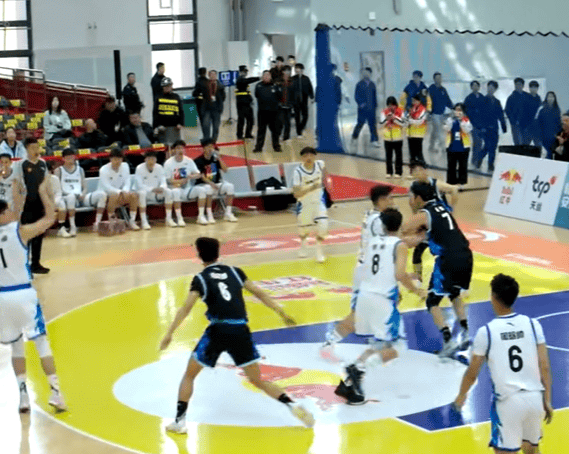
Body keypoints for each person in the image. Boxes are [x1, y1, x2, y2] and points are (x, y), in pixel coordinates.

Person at [158, 237, 313, 434]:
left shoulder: (201, 279)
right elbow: (259, 293)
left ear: (198, 255)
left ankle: (180, 422)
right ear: (218, 253)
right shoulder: (235, 272)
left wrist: (169, 333)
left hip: (218, 331)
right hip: (240, 330)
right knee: (257, 379)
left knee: (189, 375)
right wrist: (281, 312)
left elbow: (185, 308)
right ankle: (292, 405)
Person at [453, 273, 554, 454]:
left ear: (493, 297)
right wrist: (548, 399)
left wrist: (461, 395)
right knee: (534, 451)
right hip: (534, 397)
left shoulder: (487, 332)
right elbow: (545, 366)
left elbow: (473, 371)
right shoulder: (533, 325)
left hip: (508, 402)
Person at [0, 181, 67, 413]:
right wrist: (42, 192)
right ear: (0, 215)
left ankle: (23, 397)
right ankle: (56, 393)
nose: (11, 212)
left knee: (16, 349)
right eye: (6, 210)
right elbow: (50, 218)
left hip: (1, 298)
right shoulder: (20, 231)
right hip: (23, 294)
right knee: (42, 343)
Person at [333, 208, 427, 405]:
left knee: (379, 345)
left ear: (382, 225)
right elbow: (399, 274)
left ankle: (349, 383)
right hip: (382, 301)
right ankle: (356, 369)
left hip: (365, 297)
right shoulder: (399, 245)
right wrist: (417, 290)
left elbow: (374, 270)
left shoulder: (372, 242)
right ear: (400, 225)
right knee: (399, 347)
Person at [320, 184, 395, 363]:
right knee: (359, 313)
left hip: (368, 270)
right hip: (368, 273)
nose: (393, 201)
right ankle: (330, 343)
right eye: (390, 198)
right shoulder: (378, 221)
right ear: (381, 200)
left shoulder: (371, 216)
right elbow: (387, 244)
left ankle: (378, 341)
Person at [403, 181, 474, 360]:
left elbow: (403, 229)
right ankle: (466, 332)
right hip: (466, 255)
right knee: (454, 293)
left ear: (418, 198)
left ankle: (448, 340)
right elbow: (419, 239)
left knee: (432, 301)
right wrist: (420, 236)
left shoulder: (424, 214)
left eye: (411, 197)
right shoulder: (441, 207)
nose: (409, 200)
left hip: (448, 259)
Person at [408, 159, 461, 279]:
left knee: (446, 251)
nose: (418, 173)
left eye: (420, 170)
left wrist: (451, 209)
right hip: (427, 222)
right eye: (414, 171)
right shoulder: (413, 187)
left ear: (425, 171)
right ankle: (418, 277)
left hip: (441, 223)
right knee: (418, 251)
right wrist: (417, 221)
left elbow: (454, 189)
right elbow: (413, 206)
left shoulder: (435, 184)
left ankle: (451, 276)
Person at [291, 147, 330, 262]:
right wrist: (311, 188)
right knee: (304, 231)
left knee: (323, 226)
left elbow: (325, 173)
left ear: (315, 156)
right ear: (302, 158)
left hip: (318, 202)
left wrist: (327, 181)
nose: (308, 158)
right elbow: (296, 194)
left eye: (311, 155)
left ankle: (319, 251)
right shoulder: (298, 172)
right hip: (305, 204)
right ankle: (303, 244)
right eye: (305, 156)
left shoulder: (320, 164)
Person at [54, 147, 105, 236]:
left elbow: (85, 187)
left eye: (72, 157)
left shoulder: (80, 169)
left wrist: (83, 194)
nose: (70, 159)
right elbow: (57, 189)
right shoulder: (58, 171)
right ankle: (73, 226)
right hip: (66, 197)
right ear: (63, 159)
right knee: (71, 197)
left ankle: (97, 224)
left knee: (102, 195)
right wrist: (70, 194)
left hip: (80, 197)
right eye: (68, 158)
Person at [19, 138, 52, 274]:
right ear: (27, 149)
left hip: (40, 204)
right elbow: (17, 185)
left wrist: (49, 201)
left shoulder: (43, 163)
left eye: (37, 147)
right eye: (32, 148)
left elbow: (47, 183)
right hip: (26, 205)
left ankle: (36, 264)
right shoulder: (21, 164)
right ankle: (24, 264)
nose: (36, 150)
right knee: (26, 235)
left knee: (39, 234)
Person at [193, 138, 238, 222]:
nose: (210, 149)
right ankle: (209, 214)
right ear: (204, 149)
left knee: (230, 187)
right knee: (209, 188)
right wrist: (210, 183)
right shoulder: (198, 160)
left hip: (216, 184)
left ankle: (228, 213)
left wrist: (219, 159)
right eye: (208, 147)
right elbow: (201, 176)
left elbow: (225, 170)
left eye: (212, 147)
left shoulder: (215, 159)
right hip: (204, 184)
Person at [98, 147, 141, 230]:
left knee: (134, 196)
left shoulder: (125, 166)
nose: (118, 161)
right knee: (114, 196)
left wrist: (125, 191)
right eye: (115, 159)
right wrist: (119, 192)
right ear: (110, 159)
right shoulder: (103, 169)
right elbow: (106, 186)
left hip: (122, 193)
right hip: (106, 194)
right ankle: (112, 222)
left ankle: (132, 221)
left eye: (119, 159)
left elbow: (127, 181)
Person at [163, 140, 202, 227]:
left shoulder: (189, 160)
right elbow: (167, 180)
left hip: (187, 188)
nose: (180, 150)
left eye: (182, 148)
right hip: (174, 188)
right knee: (176, 192)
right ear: (173, 150)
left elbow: (198, 174)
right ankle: (179, 218)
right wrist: (179, 182)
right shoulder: (168, 163)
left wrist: (191, 176)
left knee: (201, 190)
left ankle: (201, 216)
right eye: (178, 148)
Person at [471, 81, 507, 174]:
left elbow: (500, 115)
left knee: (493, 147)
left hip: (494, 127)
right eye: (489, 87)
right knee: (487, 146)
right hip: (485, 128)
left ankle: (490, 164)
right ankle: (479, 160)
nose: (490, 89)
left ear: (495, 90)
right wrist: (481, 127)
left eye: (492, 88)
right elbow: (479, 115)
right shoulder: (482, 100)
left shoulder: (497, 102)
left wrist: (504, 126)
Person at [134, 149, 176, 229]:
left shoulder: (159, 167)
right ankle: (144, 221)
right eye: (149, 159)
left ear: (156, 159)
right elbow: (139, 185)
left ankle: (168, 218)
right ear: (145, 159)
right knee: (142, 193)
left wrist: (162, 188)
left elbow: (163, 181)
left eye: (153, 159)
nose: (151, 161)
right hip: (146, 193)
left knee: (168, 191)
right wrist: (152, 189)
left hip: (157, 192)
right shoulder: (139, 168)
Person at [253, 70, 283, 153]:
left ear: (270, 77)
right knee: (261, 130)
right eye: (265, 75)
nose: (266, 77)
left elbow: (280, 97)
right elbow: (256, 95)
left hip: (274, 112)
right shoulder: (258, 85)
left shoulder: (275, 86)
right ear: (262, 77)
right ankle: (258, 147)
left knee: (275, 130)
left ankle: (276, 146)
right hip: (262, 112)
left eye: (268, 75)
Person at [444, 103, 472, 186]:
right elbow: (446, 128)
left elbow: (467, 130)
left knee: (463, 166)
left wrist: (461, 121)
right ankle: (451, 182)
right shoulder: (450, 119)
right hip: (451, 146)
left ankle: (461, 183)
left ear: (463, 111)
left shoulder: (466, 120)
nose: (457, 112)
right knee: (451, 166)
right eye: (456, 110)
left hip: (463, 147)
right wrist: (450, 122)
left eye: (459, 110)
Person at [380, 96, 406, 179]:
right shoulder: (384, 112)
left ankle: (398, 172)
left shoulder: (400, 111)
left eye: (392, 105)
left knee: (398, 156)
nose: (391, 107)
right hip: (387, 137)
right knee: (388, 156)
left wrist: (395, 119)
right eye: (389, 105)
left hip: (398, 137)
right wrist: (387, 119)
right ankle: (389, 172)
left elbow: (403, 123)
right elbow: (381, 124)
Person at [153, 77, 183, 147]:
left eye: (168, 86)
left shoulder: (176, 97)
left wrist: (181, 123)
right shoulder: (158, 97)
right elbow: (155, 113)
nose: (167, 88)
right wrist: (157, 125)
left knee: (176, 146)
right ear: (162, 87)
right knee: (164, 147)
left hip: (175, 127)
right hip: (163, 128)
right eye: (165, 86)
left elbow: (181, 111)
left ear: (171, 86)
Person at [352, 67, 379, 145]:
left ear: (370, 74)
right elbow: (356, 96)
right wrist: (361, 104)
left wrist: (375, 106)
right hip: (362, 109)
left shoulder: (372, 84)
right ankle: (354, 137)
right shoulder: (359, 84)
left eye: (367, 73)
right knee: (360, 124)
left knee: (372, 125)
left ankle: (374, 140)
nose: (366, 74)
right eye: (364, 73)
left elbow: (374, 97)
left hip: (371, 108)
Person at [426, 72, 452, 154]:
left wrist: (454, 108)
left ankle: (431, 147)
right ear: (434, 79)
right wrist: (428, 112)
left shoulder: (443, 90)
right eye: (437, 78)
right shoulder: (431, 89)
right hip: (434, 114)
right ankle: (443, 147)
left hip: (442, 114)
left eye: (440, 78)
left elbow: (447, 101)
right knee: (439, 130)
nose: (439, 79)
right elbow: (427, 101)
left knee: (435, 131)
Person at [289, 62, 314, 138]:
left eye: (298, 68)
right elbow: (290, 90)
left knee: (305, 116)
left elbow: (310, 88)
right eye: (296, 68)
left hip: (304, 100)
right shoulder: (292, 78)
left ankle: (300, 127)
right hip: (295, 101)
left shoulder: (306, 78)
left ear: (302, 69)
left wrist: (312, 97)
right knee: (297, 117)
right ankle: (299, 133)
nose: (297, 70)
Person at [200, 69, 225, 143]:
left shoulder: (220, 86)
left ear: (216, 75)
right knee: (206, 125)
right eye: (211, 74)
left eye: (214, 74)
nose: (213, 76)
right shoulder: (205, 84)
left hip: (216, 109)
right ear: (209, 75)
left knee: (216, 126)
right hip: (207, 108)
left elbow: (223, 97)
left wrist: (219, 104)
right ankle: (207, 141)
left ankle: (214, 141)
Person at [234, 65, 258, 140]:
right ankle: (239, 135)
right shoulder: (239, 80)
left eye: (246, 72)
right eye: (244, 72)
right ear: (240, 72)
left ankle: (248, 134)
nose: (245, 73)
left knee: (250, 120)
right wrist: (258, 78)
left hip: (247, 103)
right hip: (241, 103)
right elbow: (248, 80)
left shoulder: (243, 79)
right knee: (241, 120)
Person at [536, 91, 562, 159]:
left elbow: (559, 123)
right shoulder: (542, 109)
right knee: (548, 153)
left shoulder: (557, 110)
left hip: (554, 137)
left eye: (552, 97)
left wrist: (558, 134)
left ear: (554, 98)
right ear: (546, 98)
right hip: (544, 137)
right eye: (549, 96)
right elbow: (538, 123)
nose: (550, 98)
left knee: (553, 154)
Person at [505, 78, 530, 147]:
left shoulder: (527, 96)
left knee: (526, 143)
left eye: (519, 84)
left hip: (526, 124)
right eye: (516, 84)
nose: (518, 86)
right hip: (516, 125)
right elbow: (507, 110)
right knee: (518, 143)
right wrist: (513, 121)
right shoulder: (511, 97)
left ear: (523, 86)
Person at [406, 93, 428, 166]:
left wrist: (410, 120)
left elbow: (419, 121)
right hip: (410, 133)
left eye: (415, 101)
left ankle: (422, 165)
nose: (413, 102)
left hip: (419, 133)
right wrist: (408, 120)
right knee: (412, 151)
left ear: (419, 101)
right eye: (413, 101)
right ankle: (413, 164)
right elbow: (407, 117)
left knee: (418, 151)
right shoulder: (412, 108)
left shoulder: (423, 109)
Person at [523, 81, 543, 148]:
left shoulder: (539, 98)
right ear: (529, 88)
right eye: (532, 87)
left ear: (537, 88)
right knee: (525, 148)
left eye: (535, 87)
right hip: (527, 127)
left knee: (538, 147)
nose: (533, 89)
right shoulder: (525, 98)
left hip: (537, 128)